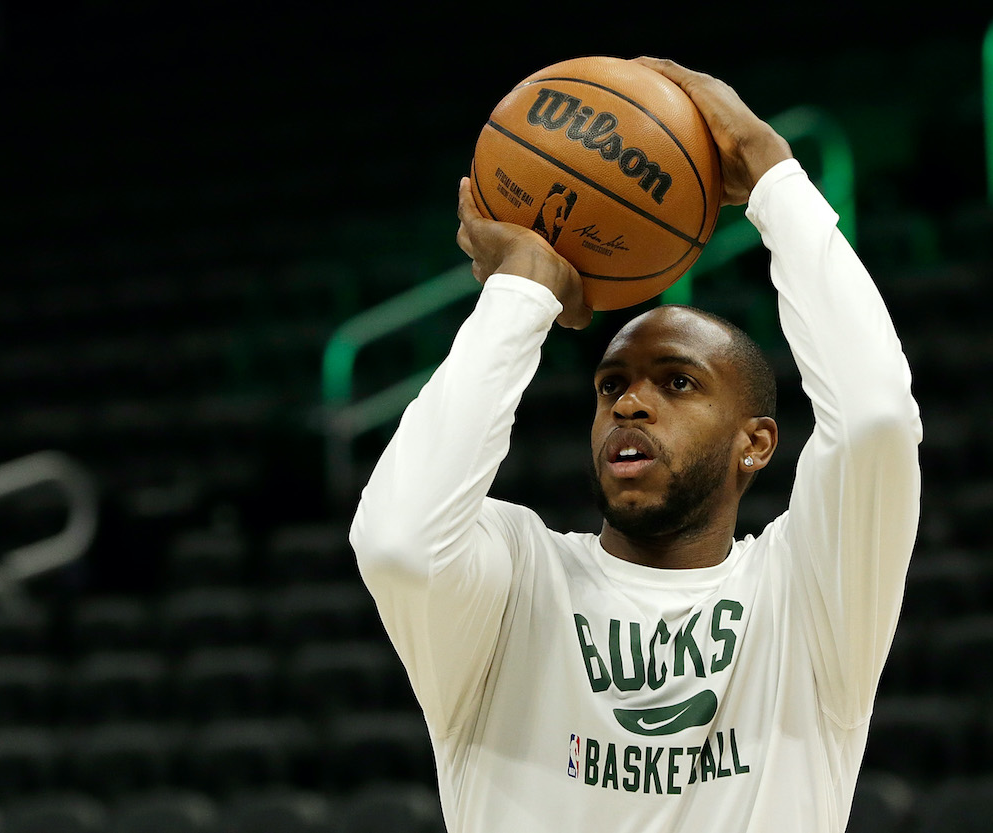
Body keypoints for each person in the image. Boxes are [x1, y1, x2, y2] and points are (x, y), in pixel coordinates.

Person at [350, 57, 922, 833]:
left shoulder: (807, 595)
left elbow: (877, 417)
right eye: (611, 383)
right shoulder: (520, 581)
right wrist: (521, 295)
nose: (630, 402)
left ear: (756, 443)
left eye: (677, 382)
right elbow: (397, 543)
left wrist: (772, 176)